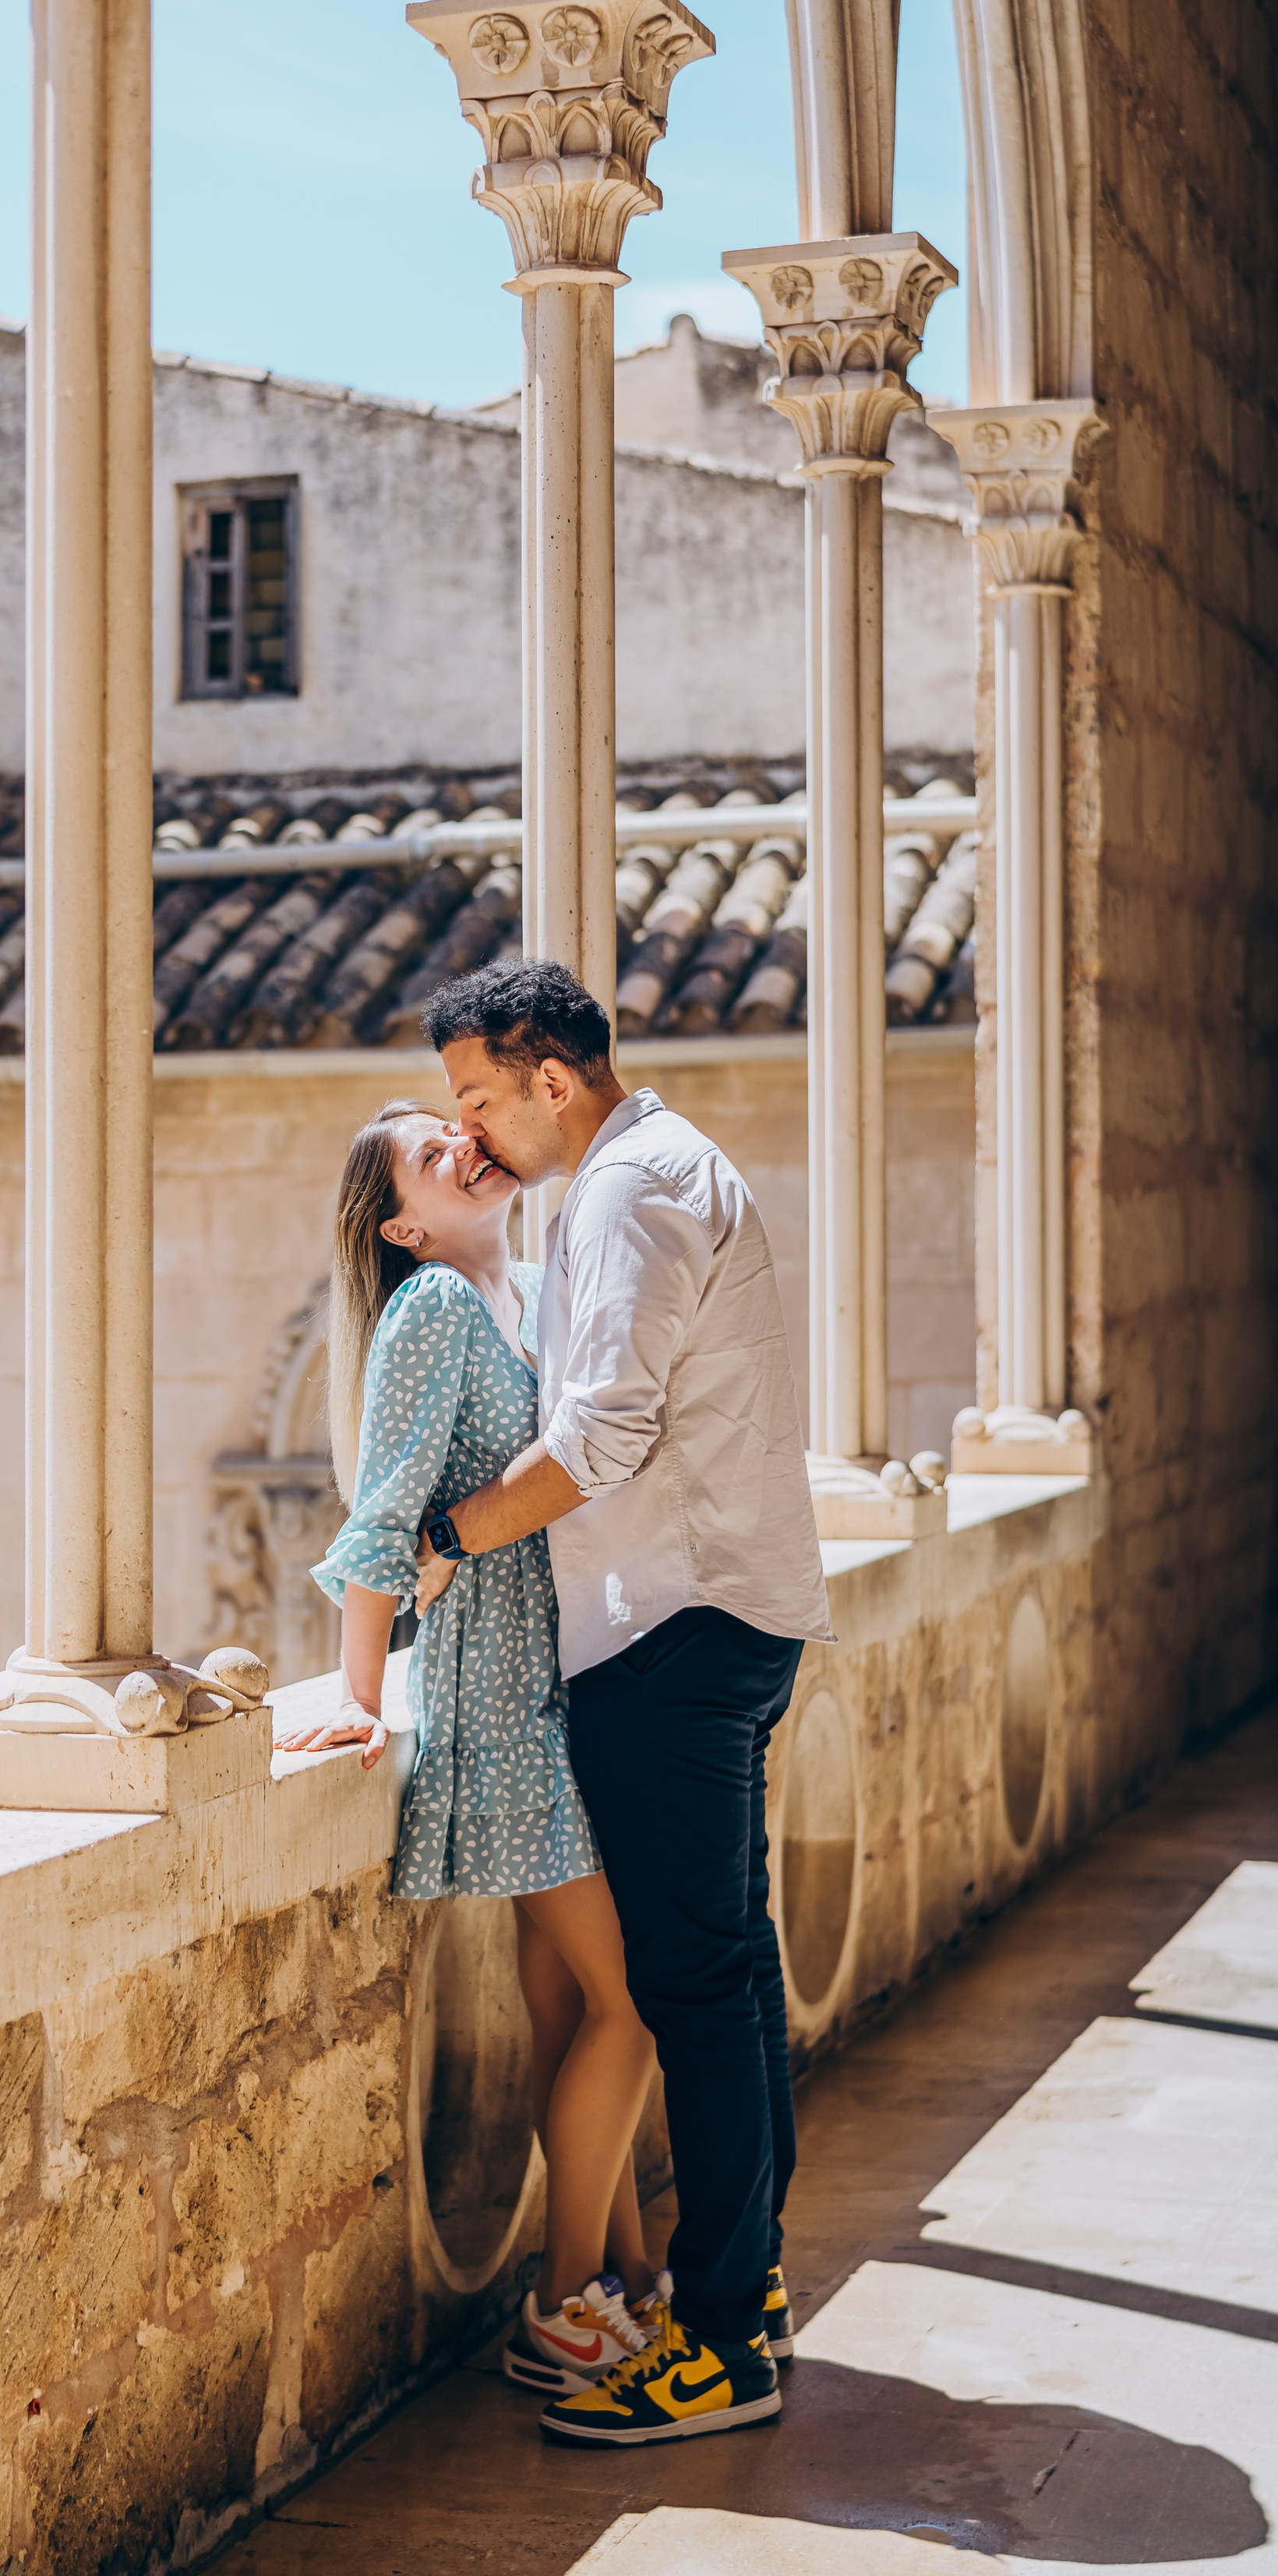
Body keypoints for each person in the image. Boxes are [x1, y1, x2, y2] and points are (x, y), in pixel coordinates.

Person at [414, 959, 831, 2448]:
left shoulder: (626, 1191)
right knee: (726, 1974)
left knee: (698, 1991)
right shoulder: (646, 1168)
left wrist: (444, 1537)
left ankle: (722, 2343)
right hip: (722, 1615)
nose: (468, 1126)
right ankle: (750, 2295)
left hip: (676, 1624)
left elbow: (600, 1432)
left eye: (479, 1095)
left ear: (551, 1079)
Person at [277, 1099, 665, 2394]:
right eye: (425, 1155)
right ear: (401, 1221)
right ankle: (562, 2307)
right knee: (639, 1998)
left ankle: (627, 2285)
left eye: (454, 1126)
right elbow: (385, 1506)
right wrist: (359, 1689)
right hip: (502, 1703)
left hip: (564, 1682)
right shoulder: (432, 1310)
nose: (459, 1145)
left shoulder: (537, 1288)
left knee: (568, 2009)